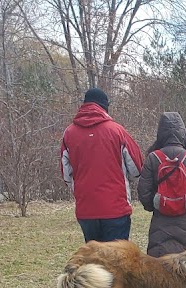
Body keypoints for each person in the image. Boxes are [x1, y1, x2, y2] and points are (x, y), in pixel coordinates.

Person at [60, 88, 143, 242]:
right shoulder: (117, 131)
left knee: (94, 262)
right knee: (115, 262)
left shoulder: (69, 133)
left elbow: (66, 175)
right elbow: (137, 168)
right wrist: (124, 178)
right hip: (116, 208)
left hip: (86, 210)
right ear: (105, 106)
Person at [137, 112, 186, 257]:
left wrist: (155, 205)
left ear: (160, 133)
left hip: (160, 223)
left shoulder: (152, 159)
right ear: (183, 133)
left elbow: (143, 193)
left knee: (159, 266)